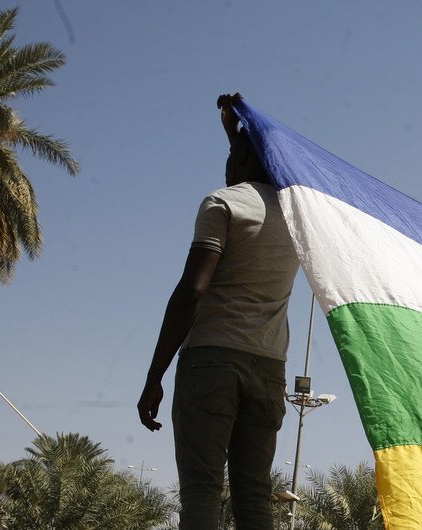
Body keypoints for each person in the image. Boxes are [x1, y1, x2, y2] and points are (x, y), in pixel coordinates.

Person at [137, 93, 300, 529]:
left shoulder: (223, 203)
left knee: (202, 491)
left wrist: (155, 376)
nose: (226, 163)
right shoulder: (300, 220)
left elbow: (192, 291)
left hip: (212, 360)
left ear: (245, 158)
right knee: (254, 495)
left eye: (232, 154)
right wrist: (237, 135)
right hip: (269, 371)